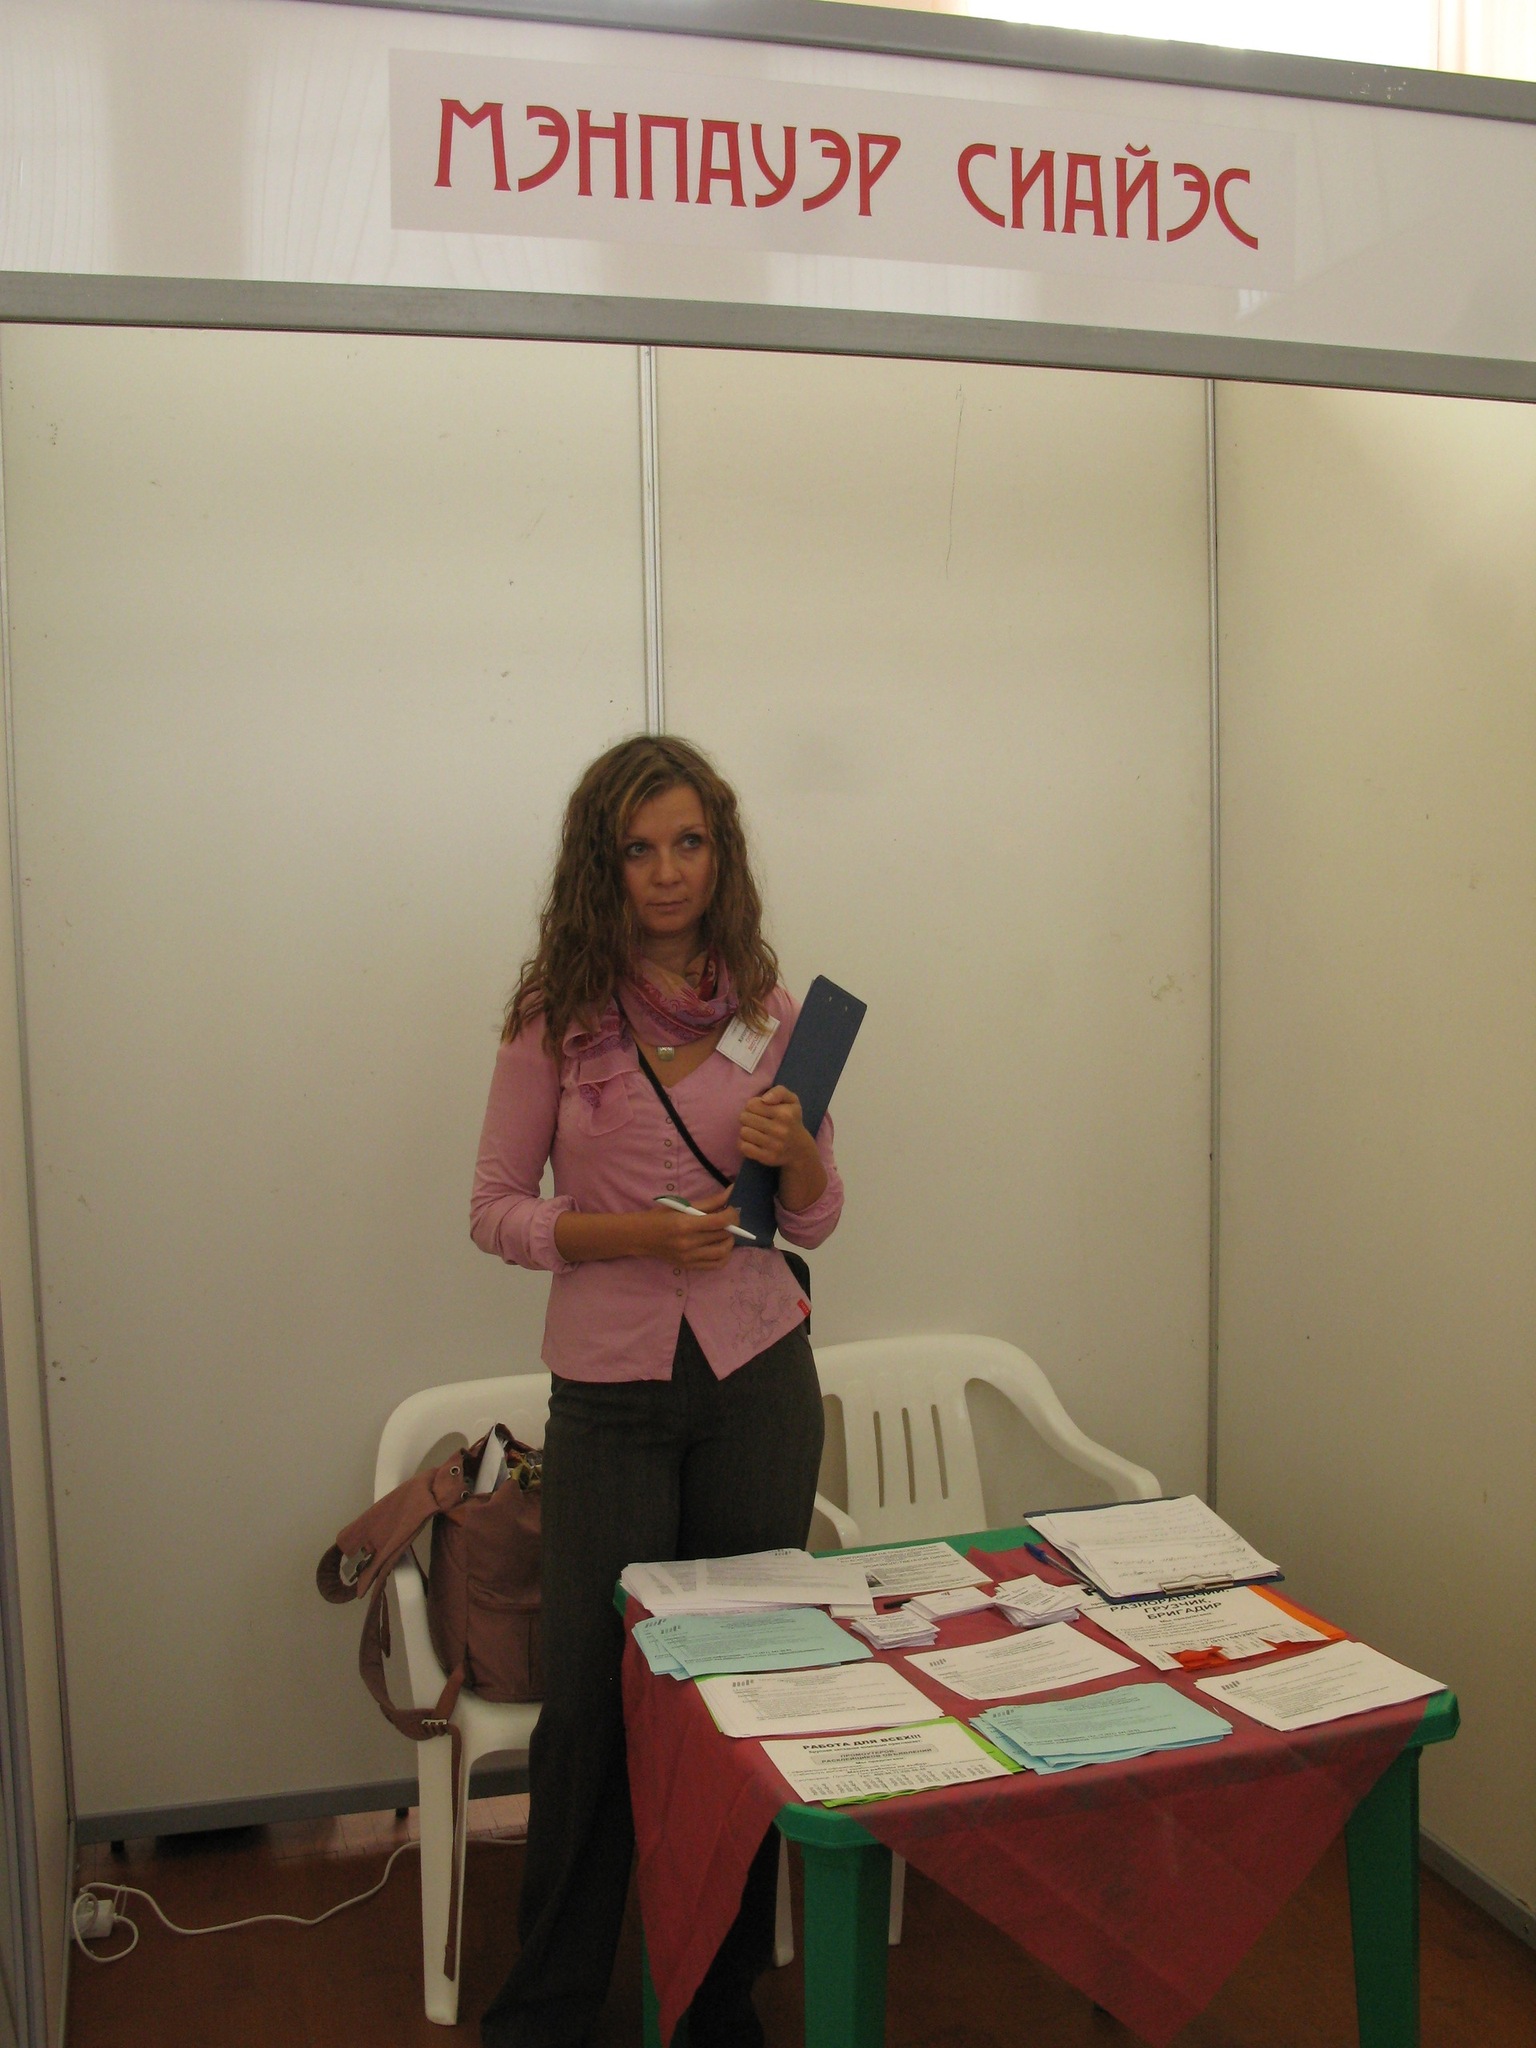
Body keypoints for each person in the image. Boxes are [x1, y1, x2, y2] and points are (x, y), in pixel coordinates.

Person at [470, 734, 843, 2048]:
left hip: (758, 1381)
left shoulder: (774, 1014)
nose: (670, 872)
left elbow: (818, 1216)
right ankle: (549, 2012)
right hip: (613, 1397)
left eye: (690, 843)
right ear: (603, 865)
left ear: (720, 855)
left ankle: (713, 2002)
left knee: (740, 1696)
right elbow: (493, 1210)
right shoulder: (556, 1017)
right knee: (591, 1707)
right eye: (641, 849)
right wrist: (630, 1235)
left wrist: (798, 1158)